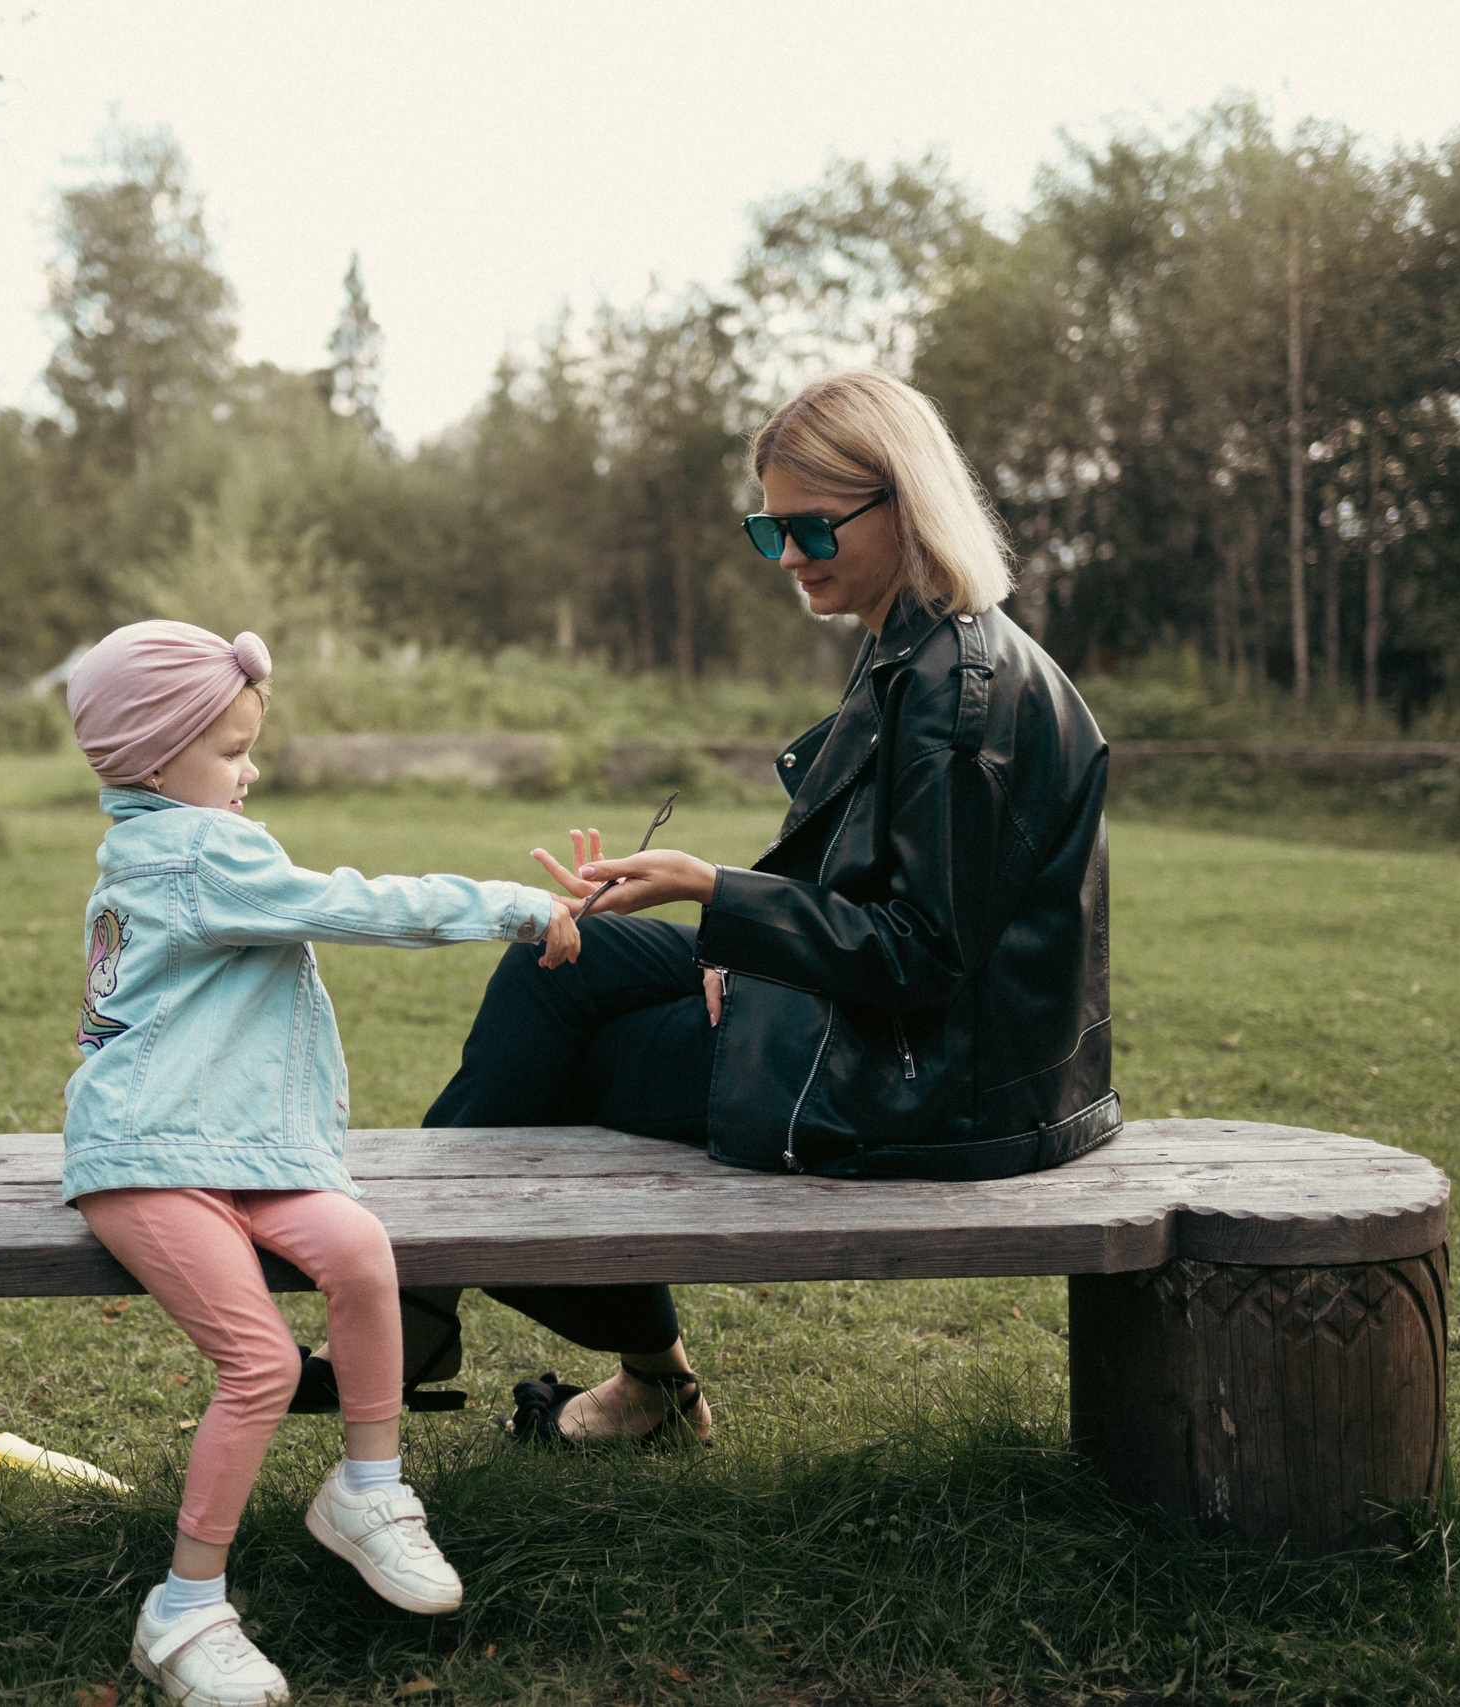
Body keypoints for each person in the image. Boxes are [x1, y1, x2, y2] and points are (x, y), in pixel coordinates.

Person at [423, 368, 1118, 1447]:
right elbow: (874, 886)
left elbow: (925, 955)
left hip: (936, 1080)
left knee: (566, 1074)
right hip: (906, 1035)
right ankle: (432, 1301)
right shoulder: (916, 649)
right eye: (768, 530)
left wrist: (717, 894)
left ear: (902, 503)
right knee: (562, 960)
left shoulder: (956, 693)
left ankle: (483, 1323)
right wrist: (739, 932)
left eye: (810, 530)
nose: (788, 558)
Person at [61, 620, 585, 1707]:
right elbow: (362, 904)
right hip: (151, 1160)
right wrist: (517, 908)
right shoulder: (202, 854)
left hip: (227, 1140)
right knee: (256, 1365)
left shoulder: (151, 842)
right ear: (155, 759)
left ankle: (368, 1488)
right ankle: (183, 1608)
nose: (249, 770)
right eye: (231, 750)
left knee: (356, 1248)